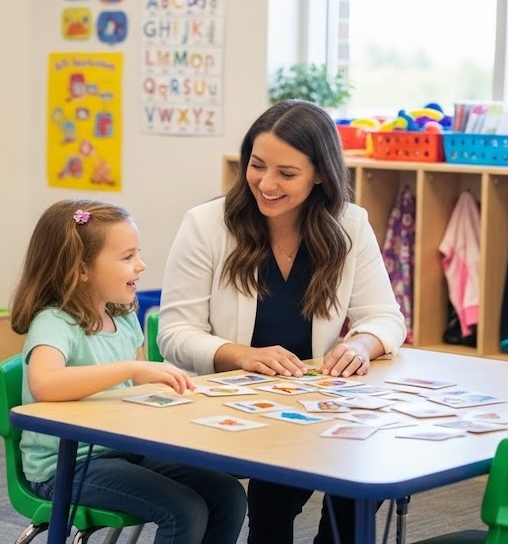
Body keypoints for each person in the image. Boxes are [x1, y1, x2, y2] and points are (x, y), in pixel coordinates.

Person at [157, 99, 406, 544]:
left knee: (360, 477)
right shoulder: (207, 225)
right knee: (280, 484)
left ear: (321, 174)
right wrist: (243, 356)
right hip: (223, 408)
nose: (266, 183)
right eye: (257, 165)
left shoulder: (349, 224)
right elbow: (175, 333)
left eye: (286, 174)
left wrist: (360, 344)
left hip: (309, 403)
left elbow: (385, 317)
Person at [9, 199, 247, 543]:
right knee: (184, 509)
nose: (141, 265)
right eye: (127, 257)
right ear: (81, 268)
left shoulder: (122, 318)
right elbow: (45, 384)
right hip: (66, 465)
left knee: (227, 494)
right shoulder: (55, 322)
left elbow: (137, 389)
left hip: (122, 449)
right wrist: (132, 367)